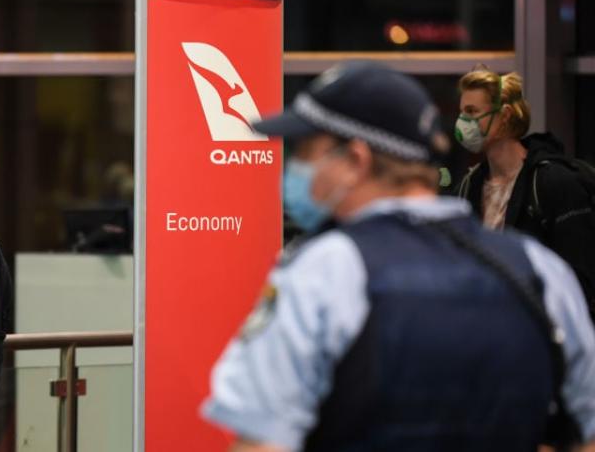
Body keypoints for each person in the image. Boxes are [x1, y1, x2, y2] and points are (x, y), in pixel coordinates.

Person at [202, 61, 595, 451]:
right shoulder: (538, 271)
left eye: (307, 151)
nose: (294, 167)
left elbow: (262, 442)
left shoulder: (324, 271)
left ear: (357, 160)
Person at [454, 68, 595, 317]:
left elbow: (580, 280)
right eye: (462, 112)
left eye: (472, 112)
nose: (463, 122)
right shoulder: (470, 185)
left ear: (505, 116)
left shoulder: (552, 182)